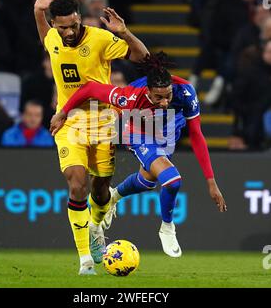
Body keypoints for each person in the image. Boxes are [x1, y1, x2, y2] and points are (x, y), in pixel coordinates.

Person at [50, 52, 227, 258]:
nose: (164, 101)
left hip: (165, 134)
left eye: (167, 95)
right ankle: (167, 228)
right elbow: (90, 88)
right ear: (148, 91)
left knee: (148, 180)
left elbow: (196, 134)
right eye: (158, 97)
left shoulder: (186, 92)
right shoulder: (129, 95)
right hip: (137, 133)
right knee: (172, 180)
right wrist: (63, 112)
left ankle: (113, 197)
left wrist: (211, 181)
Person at [34, 0, 148, 275]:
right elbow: (45, 36)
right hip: (68, 121)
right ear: (55, 25)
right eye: (62, 28)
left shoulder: (100, 39)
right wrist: (38, 10)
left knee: (100, 193)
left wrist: (124, 33)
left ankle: (96, 226)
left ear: (80, 17)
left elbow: (143, 57)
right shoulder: (54, 39)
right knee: (76, 184)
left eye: (73, 26)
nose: (68, 33)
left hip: (102, 121)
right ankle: (85, 260)